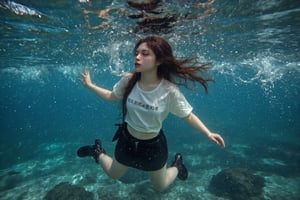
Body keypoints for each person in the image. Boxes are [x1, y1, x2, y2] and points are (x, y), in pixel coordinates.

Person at [77, 36, 225, 192]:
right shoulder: (129, 80)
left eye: (145, 53)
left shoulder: (169, 91)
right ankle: (97, 151)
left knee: (160, 187)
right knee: (113, 174)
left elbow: (187, 115)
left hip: (153, 145)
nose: (137, 57)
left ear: (159, 60)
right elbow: (111, 97)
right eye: (136, 53)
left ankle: (177, 165)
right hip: (127, 139)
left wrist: (208, 133)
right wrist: (89, 85)